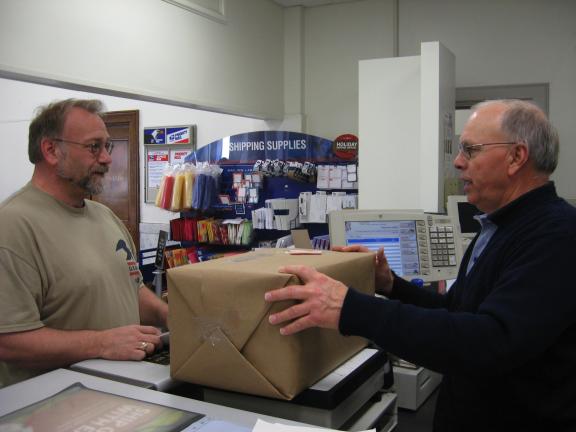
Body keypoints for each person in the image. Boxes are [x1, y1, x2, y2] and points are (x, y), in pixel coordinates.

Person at [265, 99, 576, 431]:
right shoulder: (500, 228)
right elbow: (460, 311)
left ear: (516, 157)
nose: (458, 162)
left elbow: (490, 341)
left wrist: (351, 309)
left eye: (470, 150)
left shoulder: (557, 235)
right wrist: (391, 285)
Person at [0, 99, 168, 388]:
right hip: (51, 408)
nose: (106, 158)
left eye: (108, 146)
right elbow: (9, 341)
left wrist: (171, 315)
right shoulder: (13, 225)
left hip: (123, 393)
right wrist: (101, 343)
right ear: (51, 150)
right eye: (94, 147)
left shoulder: (105, 216)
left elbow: (131, 289)